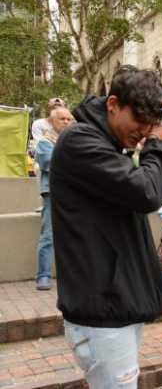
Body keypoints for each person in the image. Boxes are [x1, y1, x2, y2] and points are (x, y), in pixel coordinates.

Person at [50, 66, 162, 388]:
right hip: (102, 314)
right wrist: (156, 148)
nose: (145, 131)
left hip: (115, 309)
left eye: (152, 124)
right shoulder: (80, 141)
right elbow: (147, 192)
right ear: (113, 104)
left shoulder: (108, 143)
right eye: (140, 120)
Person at [33, 106, 73, 291]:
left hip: (73, 194)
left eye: (68, 119)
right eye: (62, 119)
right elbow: (50, 163)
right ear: (52, 121)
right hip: (53, 193)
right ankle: (43, 276)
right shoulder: (45, 141)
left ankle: (74, 275)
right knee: (48, 235)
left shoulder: (74, 141)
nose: (66, 122)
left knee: (74, 235)